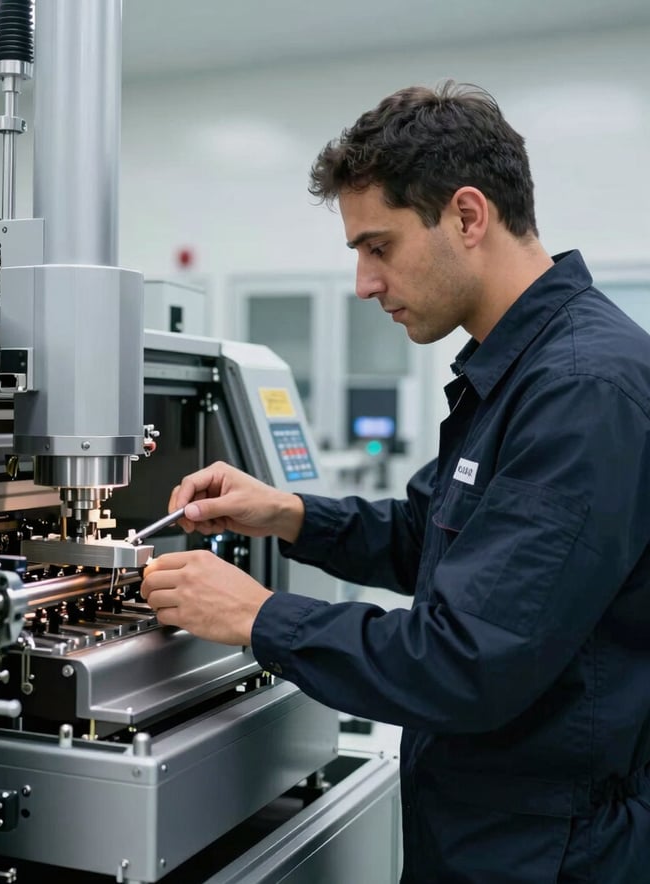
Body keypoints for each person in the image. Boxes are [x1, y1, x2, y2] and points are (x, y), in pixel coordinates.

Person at [141, 81, 650, 883]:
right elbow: (429, 540)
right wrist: (288, 513)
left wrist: (258, 615)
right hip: (492, 831)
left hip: (549, 853)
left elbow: (467, 660)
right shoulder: (518, 372)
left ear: (468, 217)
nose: (365, 284)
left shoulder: (580, 389)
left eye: (378, 247)